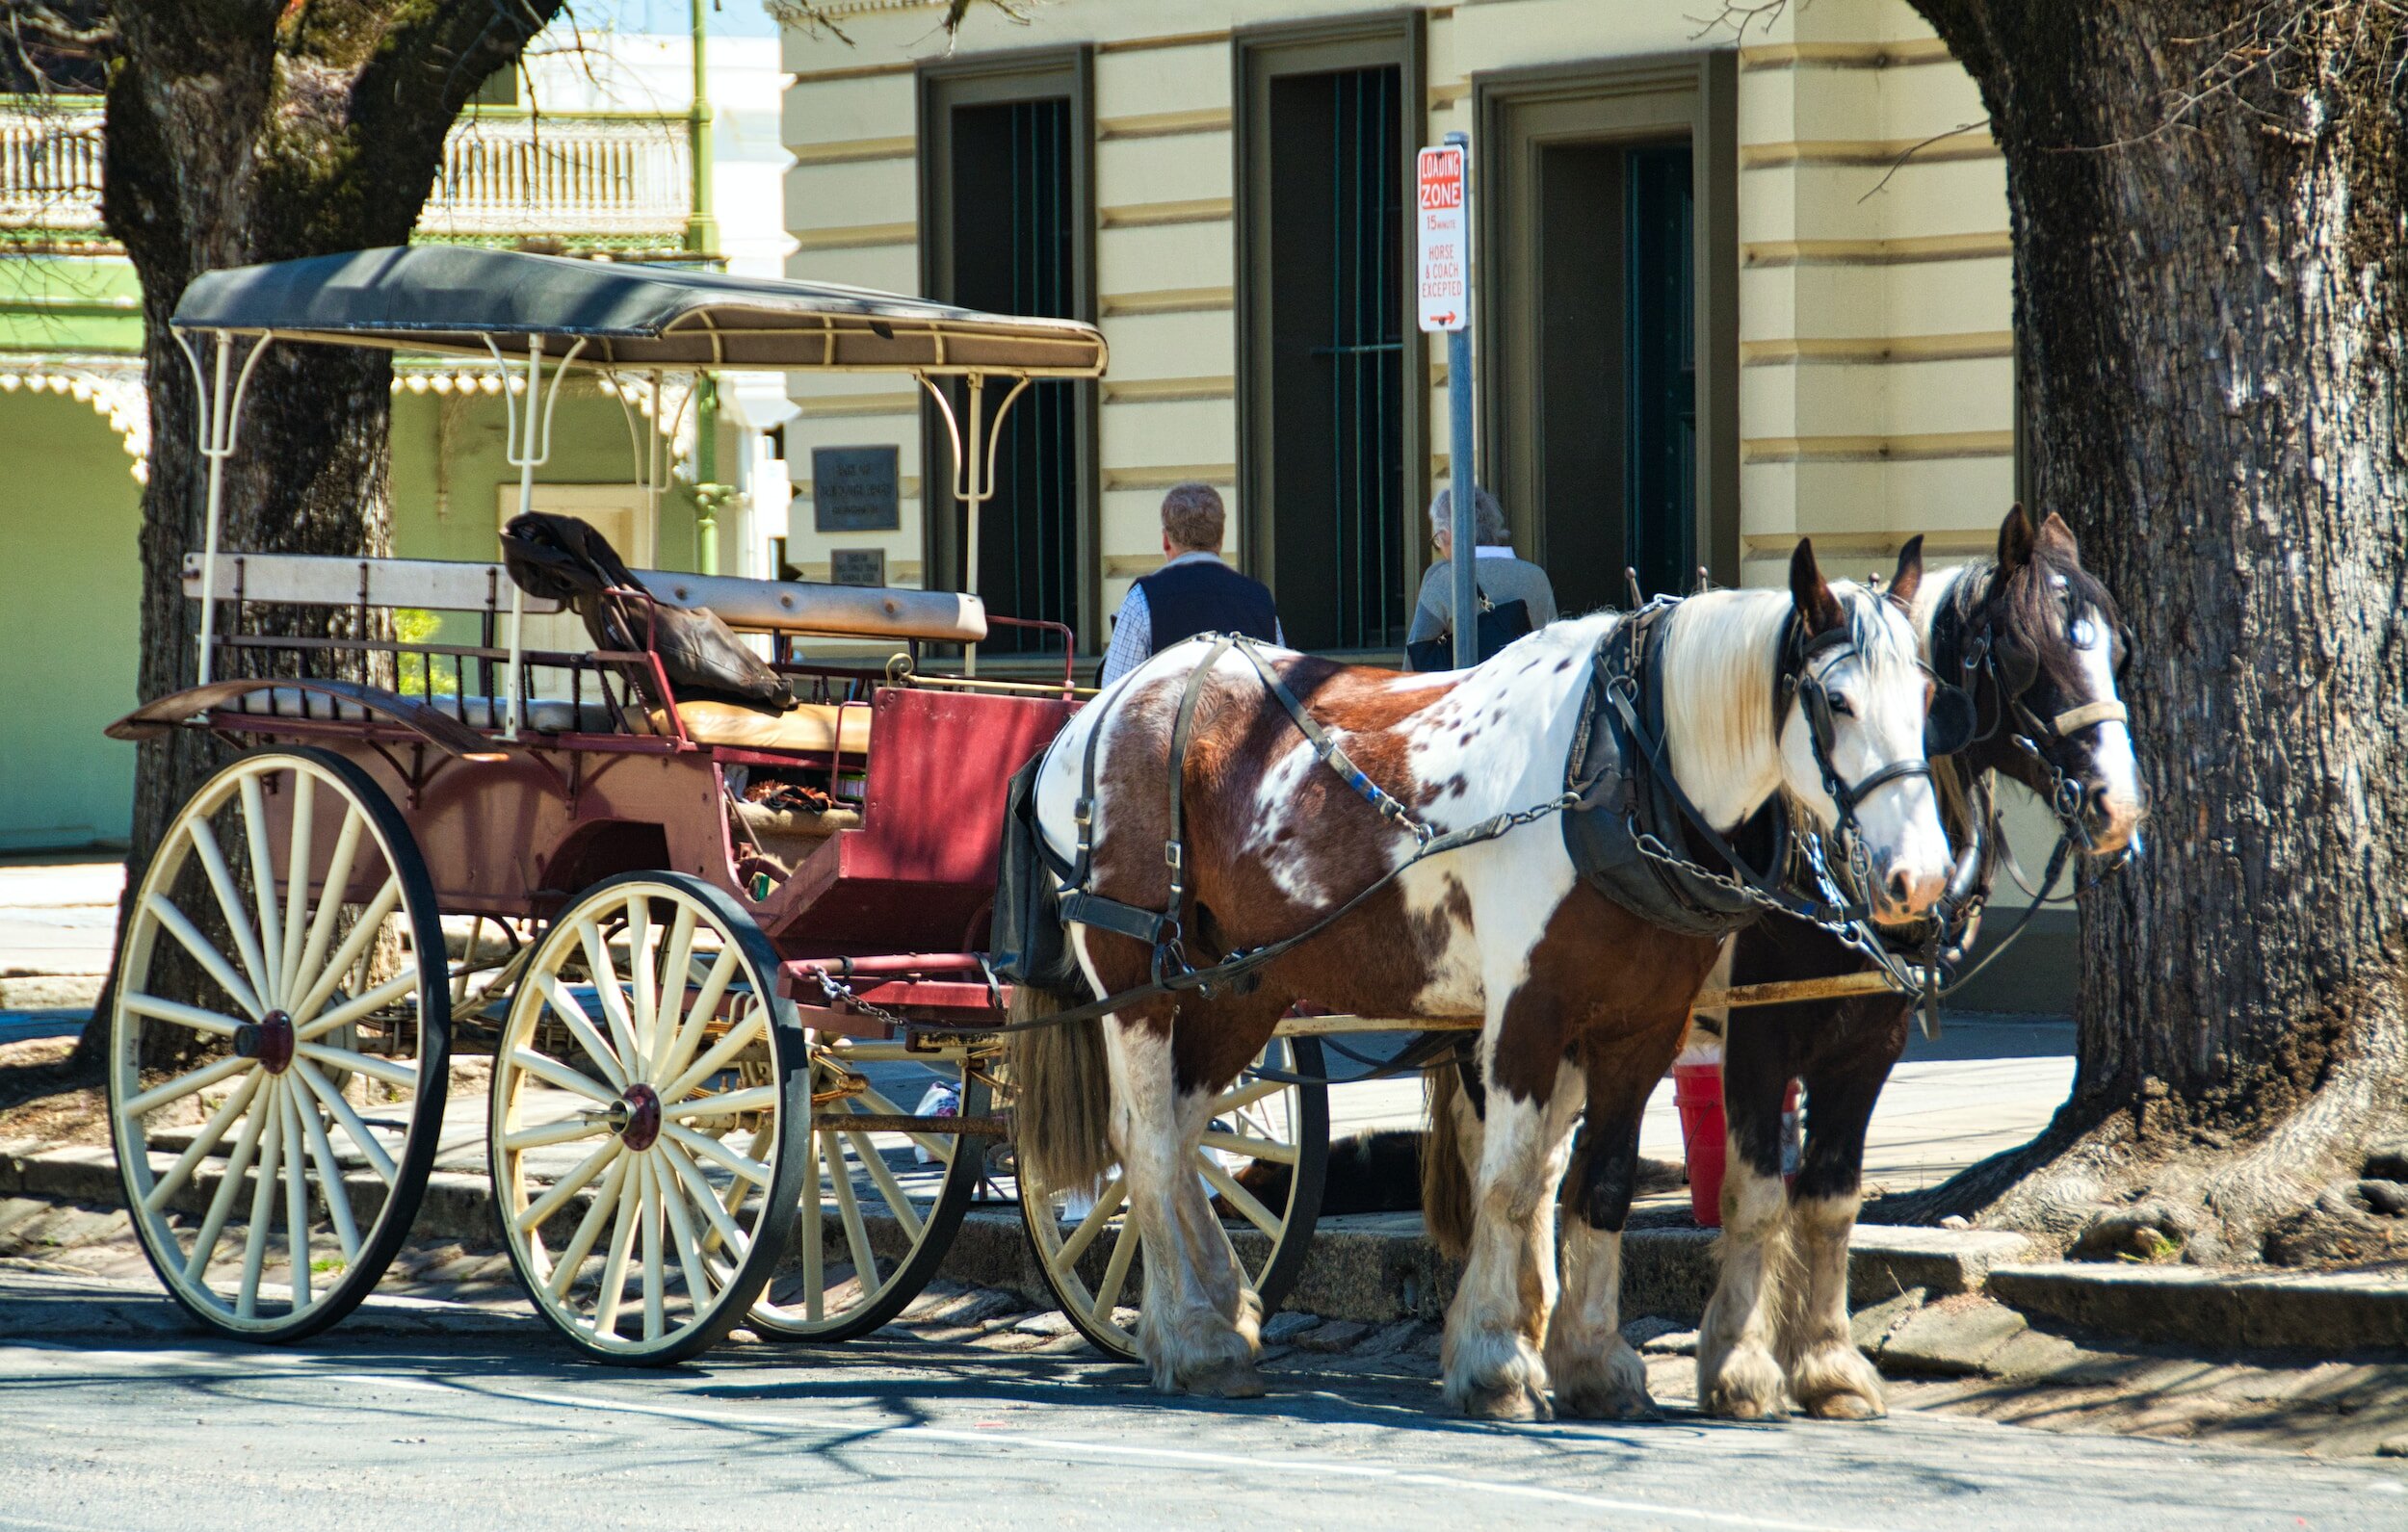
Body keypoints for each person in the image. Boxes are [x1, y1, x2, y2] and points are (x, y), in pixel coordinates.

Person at [1098, 481, 1283, 686]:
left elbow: (1113, 690)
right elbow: (1285, 688)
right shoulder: (1260, 599)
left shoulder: (1143, 599)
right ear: (1220, 537)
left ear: (1166, 541)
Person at [1404, 486, 1558, 667]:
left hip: (1468, 693)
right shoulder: (1536, 576)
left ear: (1446, 535)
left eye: (1438, 540)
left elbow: (1414, 663)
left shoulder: (1443, 577)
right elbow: (1555, 653)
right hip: (1527, 692)